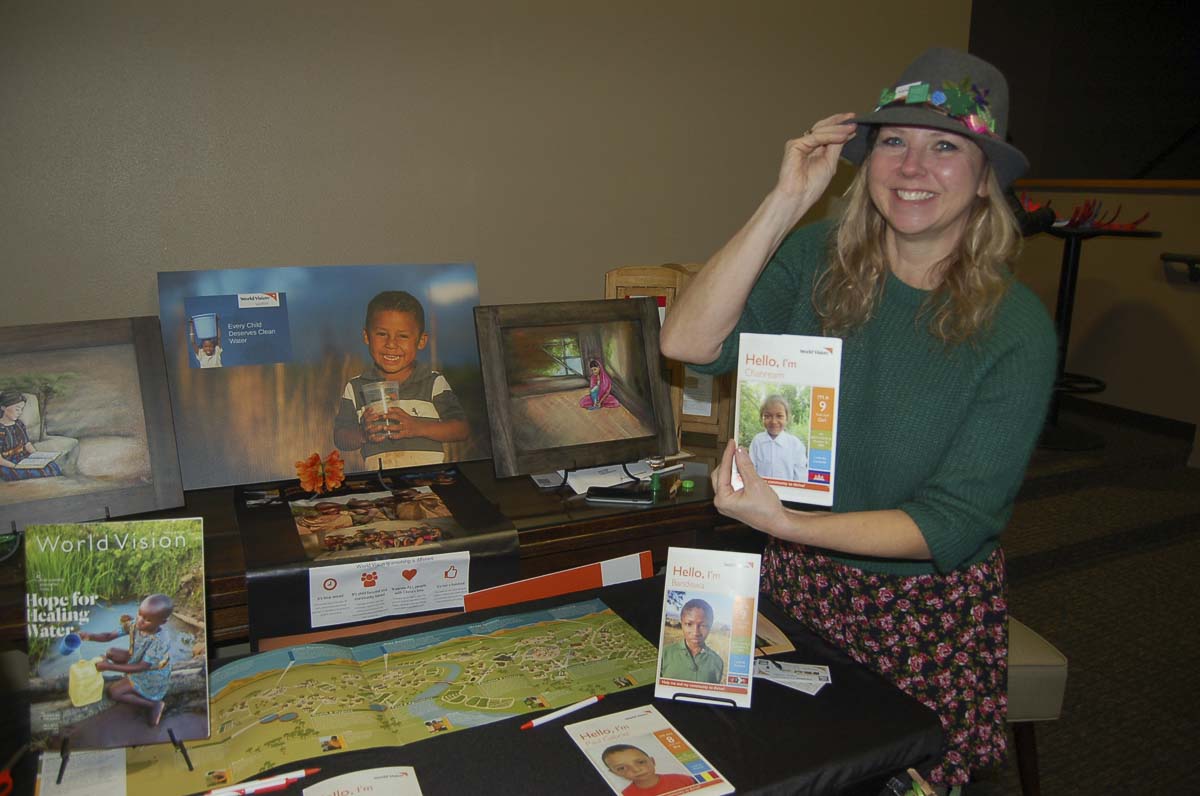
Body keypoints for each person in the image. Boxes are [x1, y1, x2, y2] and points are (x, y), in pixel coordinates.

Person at [659, 49, 1056, 788]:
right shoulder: (818, 258)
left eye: (945, 147)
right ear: (865, 162)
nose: (912, 167)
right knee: (787, 770)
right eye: (894, 142)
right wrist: (784, 201)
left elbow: (951, 523)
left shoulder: (1015, 329)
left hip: (922, 616)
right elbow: (687, 342)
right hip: (800, 589)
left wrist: (786, 525)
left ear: (984, 180)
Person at [334, 291, 469, 469]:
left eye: (403, 336)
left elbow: (461, 429)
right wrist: (363, 434)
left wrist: (417, 427)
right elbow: (340, 438)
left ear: (421, 341)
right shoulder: (356, 386)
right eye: (382, 334)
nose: (391, 344)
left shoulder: (433, 382)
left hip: (429, 482)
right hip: (381, 485)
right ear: (366, 336)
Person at [78, 594, 174, 727]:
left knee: (114, 692)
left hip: (151, 676)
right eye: (140, 614)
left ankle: (154, 705)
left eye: (147, 620)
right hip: (138, 660)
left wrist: (109, 667)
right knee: (111, 652)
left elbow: (142, 667)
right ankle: (128, 678)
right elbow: (109, 636)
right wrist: (89, 636)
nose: (140, 620)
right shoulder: (135, 624)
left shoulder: (160, 640)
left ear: (162, 622)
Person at [0, 390, 63, 481]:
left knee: (51, 466)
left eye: (21, 409)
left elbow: (27, 444)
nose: (20, 412)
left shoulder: (19, 424)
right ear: (3, 407)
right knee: (32, 473)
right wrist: (17, 466)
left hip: (23, 458)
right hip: (7, 463)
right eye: (17, 409)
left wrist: (37, 456)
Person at [659, 598, 724, 684]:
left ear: (710, 626)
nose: (695, 632)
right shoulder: (664, 654)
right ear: (681, 623)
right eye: (689, 624)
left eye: (703, 625)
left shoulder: (717, 662)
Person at [748, 394, 807, 481]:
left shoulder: (795, 444)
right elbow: (751, 470)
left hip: (787, 493)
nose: (774, 421)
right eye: (767, 416)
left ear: (787, 418)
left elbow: (800, 476)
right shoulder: (757, 441)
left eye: (779, 416)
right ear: (762, 418)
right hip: (761, 492)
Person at [601, 744, 695, 796]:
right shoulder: (625, 795)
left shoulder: (683, 779)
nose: (636, 769)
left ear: (652, 761)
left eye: (641, 762)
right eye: (622, 768)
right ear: (615, 773)